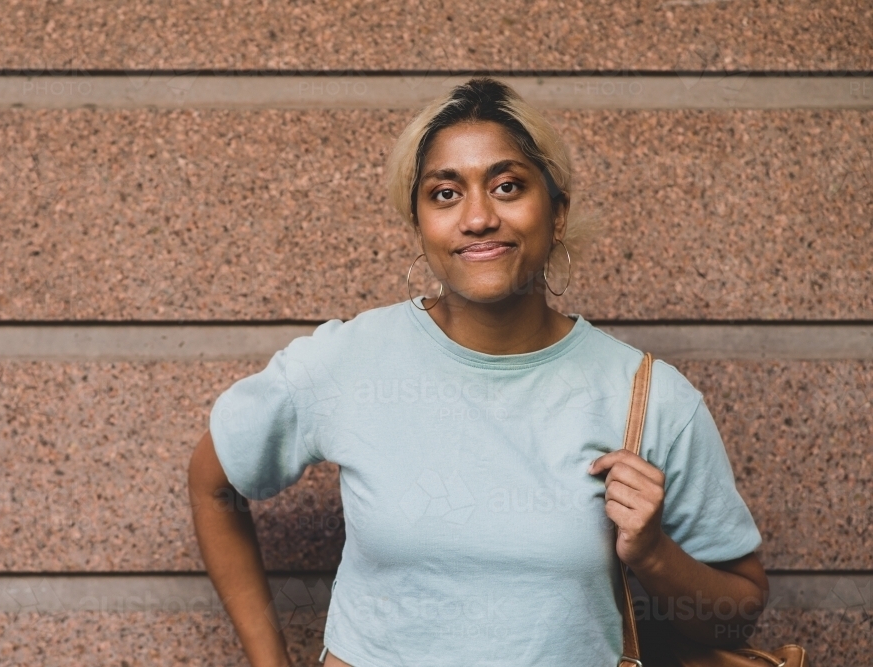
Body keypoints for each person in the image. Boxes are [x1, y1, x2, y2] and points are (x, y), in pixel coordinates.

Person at [188, 77, 769, 667]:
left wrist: (653, 554)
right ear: (419, 225)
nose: (478, 217)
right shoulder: (350, 360)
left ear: (558, 212)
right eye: (445, 193)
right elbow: (213, 484)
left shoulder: (646, 396)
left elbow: (738, 610)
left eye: (507, 186)